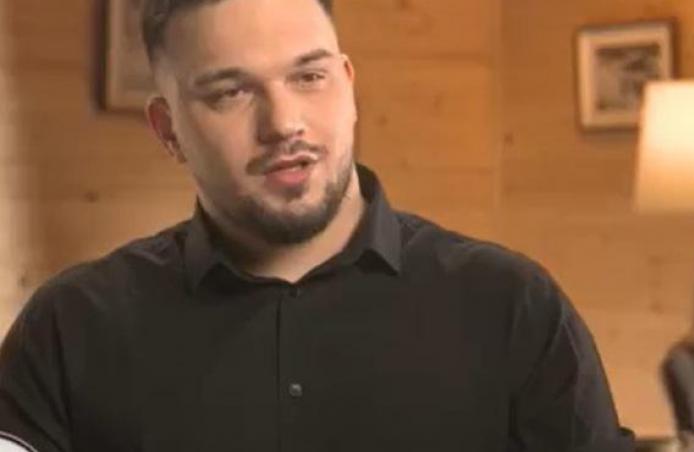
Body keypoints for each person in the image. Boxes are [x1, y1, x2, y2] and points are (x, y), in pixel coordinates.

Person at [0, 0, 635, 450]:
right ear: (168, 130)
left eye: (309, 77)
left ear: (349, 85)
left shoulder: (513, 307)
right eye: (230, 92)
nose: (284, 123)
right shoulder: (70, 329)